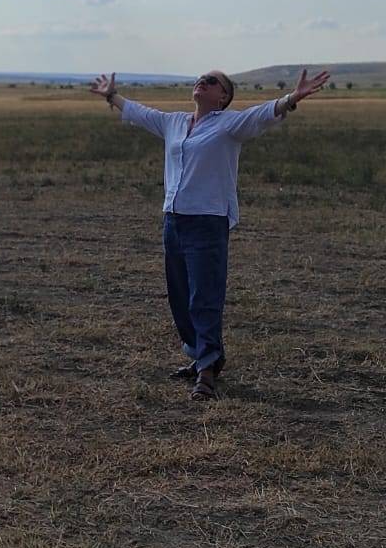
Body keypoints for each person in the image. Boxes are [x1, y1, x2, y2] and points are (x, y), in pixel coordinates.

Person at [90, 66, 331, 402]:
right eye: (201, 79)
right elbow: (141, 113)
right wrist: (112, 96)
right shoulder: (174, 122)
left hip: (207, 221)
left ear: (223, 97)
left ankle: (207, 370)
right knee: (180, 295)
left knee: (204, 296)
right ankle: (200, 355)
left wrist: (292, 98)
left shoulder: (229, 124)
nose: (203, 82)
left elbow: (262, 114)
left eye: (212, 81)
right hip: (174, 220)